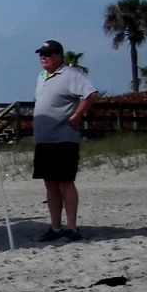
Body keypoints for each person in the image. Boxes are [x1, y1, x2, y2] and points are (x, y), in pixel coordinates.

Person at [33, 39, 99, 241]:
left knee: (65, 182)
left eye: (49, 54)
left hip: (64, 139)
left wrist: (77, 114)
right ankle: (55, 227)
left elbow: (90, 94)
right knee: (50, 183)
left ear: (59, 56)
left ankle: (71, 226)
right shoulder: (42, 76)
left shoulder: (70, 74)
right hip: (44, 141)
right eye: (42, 54)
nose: (44, 57)